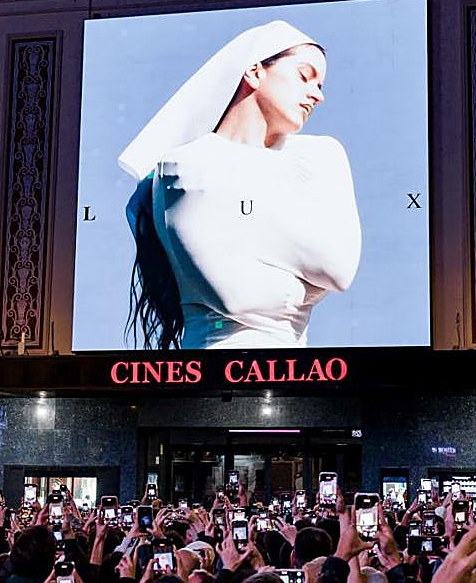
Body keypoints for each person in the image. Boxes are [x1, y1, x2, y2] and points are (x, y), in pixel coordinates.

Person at [121, 19, 361, 349]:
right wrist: (306, 279)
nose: (317, 95)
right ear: (254, 72)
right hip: (211, 367)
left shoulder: (319, 156)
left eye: (320, 85)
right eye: (304, 76)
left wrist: (240, 226)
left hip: (298, 370)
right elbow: (236, 297)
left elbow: (338, 269)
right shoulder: (185, 165)